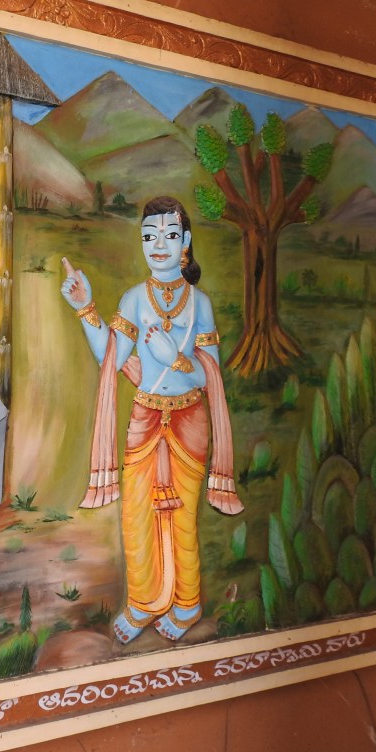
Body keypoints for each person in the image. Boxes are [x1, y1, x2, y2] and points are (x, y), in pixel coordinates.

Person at [61, 195, 244, 645]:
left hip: (189, 420)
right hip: (145, 416)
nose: (158, 245)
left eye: (169, 235)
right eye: (149, 236)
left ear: (186, 242)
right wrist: (85, 308)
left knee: (183, 515)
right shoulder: (133, 300)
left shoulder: (199, 304)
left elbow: (209, 376)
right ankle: (143, 603)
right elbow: (111, 357)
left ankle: (187, 604)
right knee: (136, 515)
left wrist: (175, 358)